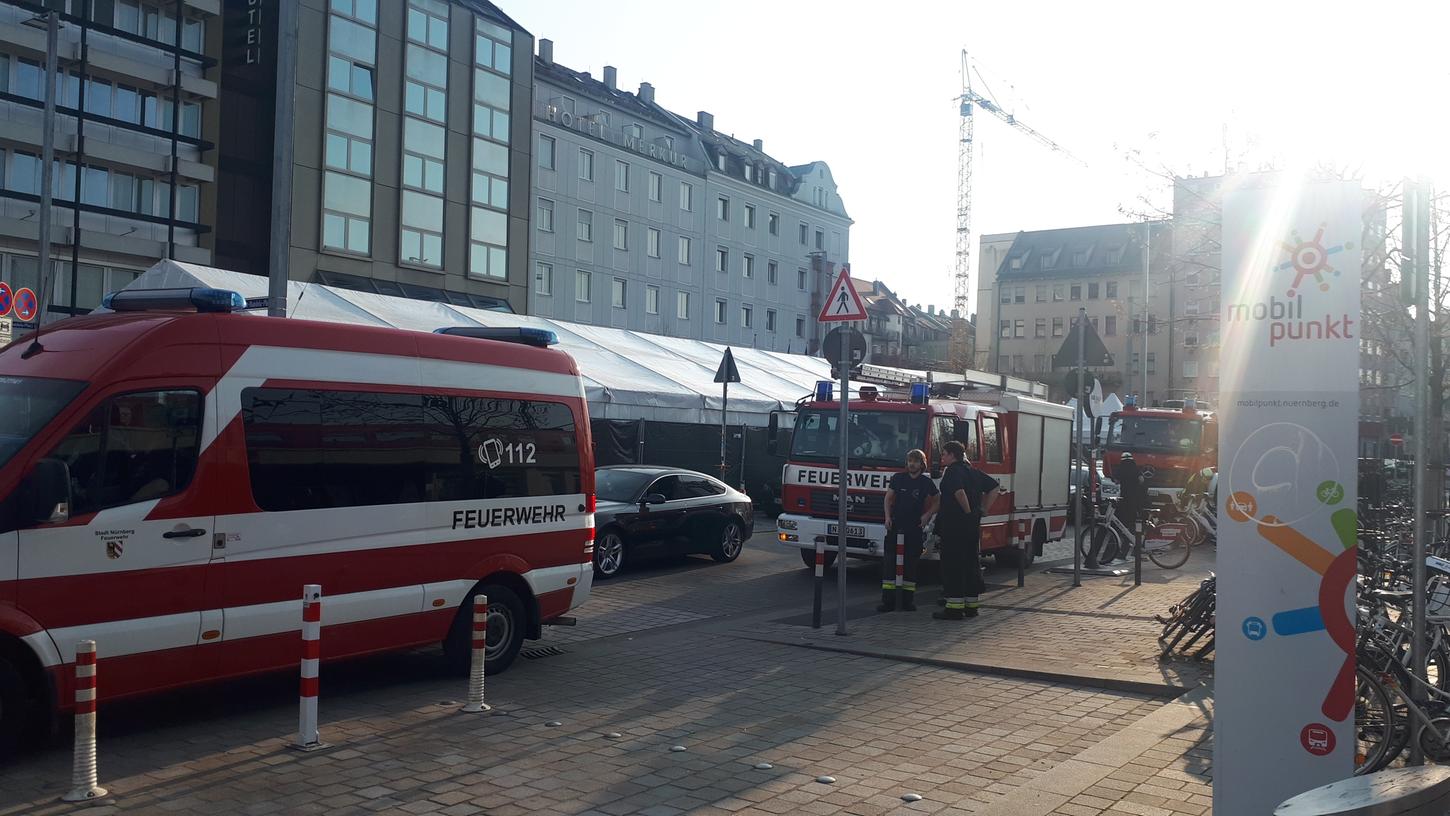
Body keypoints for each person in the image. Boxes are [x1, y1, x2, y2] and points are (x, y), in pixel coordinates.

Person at [933, 441, 1000, 621]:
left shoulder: (952, 472)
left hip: (954, 526)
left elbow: (959, 492)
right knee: (971, 564)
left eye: (944, 454)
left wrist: (967, 511)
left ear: (952, 455)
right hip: (971, 527)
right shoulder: (973, 471)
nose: (942, 457)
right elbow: (995, 488)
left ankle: (954, 609)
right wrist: (983, 510)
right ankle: (971, 606)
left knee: (953, 565)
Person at [879, 449, 939, 613]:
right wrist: (887, 517)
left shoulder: (925, 483)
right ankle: (887, 601)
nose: (912, 464)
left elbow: (937, 500)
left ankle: (907, 601)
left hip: (914, 528)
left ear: (922, 464)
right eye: (909, 461)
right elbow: (888, 498)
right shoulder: (898, 479)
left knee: (910, 565)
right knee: (890, 564)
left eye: (915, 461)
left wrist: (927, 515)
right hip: (896, 526)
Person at [1090, 452, 1145, 568]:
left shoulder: (1121, 470)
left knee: (1117, 529)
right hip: (1137, 505)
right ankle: (1130, 552)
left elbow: (1114, 480)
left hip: (1123, 503)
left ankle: (1108, 556)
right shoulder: (1137, 471)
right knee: (1131, 529)